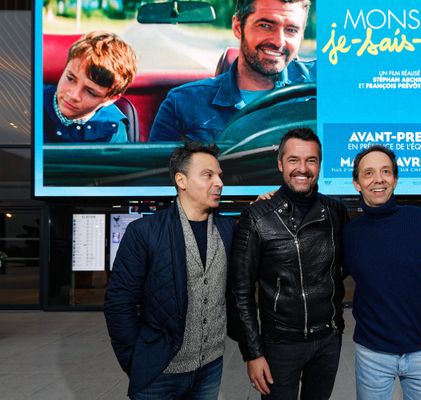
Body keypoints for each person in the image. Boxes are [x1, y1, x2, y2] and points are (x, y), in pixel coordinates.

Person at [104, 142, 236, 399]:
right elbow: (119, 302)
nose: (219, 182)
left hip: (210, 368)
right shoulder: (144, 232)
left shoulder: (228, 230)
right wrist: (137, 360)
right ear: (181, 180)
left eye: (220, 175)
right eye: (208, 175)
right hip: (159, 371)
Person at [229, 127, 346, 399]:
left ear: (319, 165)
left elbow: (342, 266)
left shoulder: (335, 211)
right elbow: (241, 292)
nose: (302, 168)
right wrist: (253, 352)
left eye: (311, 160)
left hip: (328, 341)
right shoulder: (257, 216)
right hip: (279, 344)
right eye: (294, 160)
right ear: (280, 164)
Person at [344, 145, 421, 400]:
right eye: (369, 173)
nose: (378, 179)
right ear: (356, 183)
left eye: (386, 171)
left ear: (394, 180)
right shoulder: (351, 233)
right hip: (372, 354)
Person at [149, 0, 315, 142]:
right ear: (238, 27)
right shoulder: (183, 104)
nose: (279, 42)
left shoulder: (324, 82)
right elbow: (155, 176)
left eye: (291, 30)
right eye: (265, 26)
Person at [44, 31, 137, 143]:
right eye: (70, 78)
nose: (74, 95)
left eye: (91, 92)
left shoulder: (112, 130)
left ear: (110, 99)